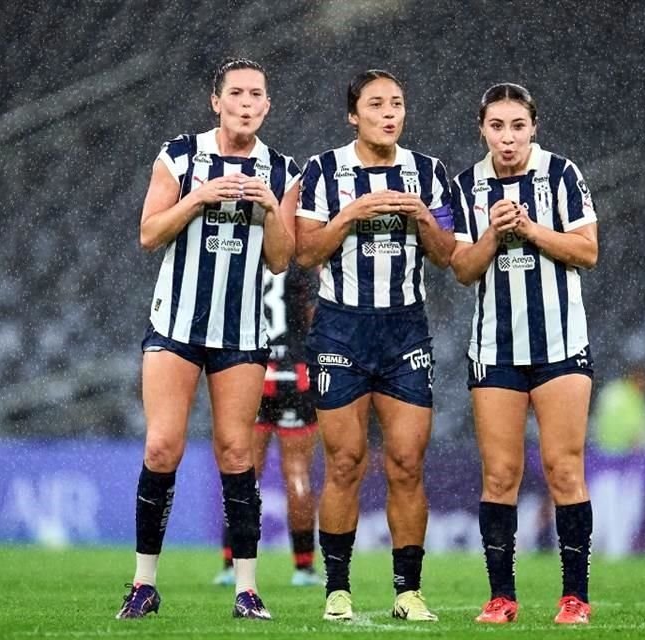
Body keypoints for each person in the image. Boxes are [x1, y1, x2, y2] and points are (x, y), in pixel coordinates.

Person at [116, 58, 300, 621]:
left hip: (241, 332)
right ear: (215, 101)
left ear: (267, 106)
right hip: (175, 326)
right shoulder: (179, 155)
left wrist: (270, 208)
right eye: (236, 93)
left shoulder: (283, 170)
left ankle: (247, 589)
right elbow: (149, 233)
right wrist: (198, 197)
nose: (247, 102)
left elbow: (279, 259)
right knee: (161, 446)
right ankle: (143, 583)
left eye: (257, 94)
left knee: (237, 450)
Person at [295, 69, 454, 622]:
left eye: (398, 103)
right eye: (377, 104)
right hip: (341, 328)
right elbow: (305, 251)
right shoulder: (323, 170)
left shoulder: (429, 173)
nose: (390, 113)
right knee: (345, 462)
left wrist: (421, 218)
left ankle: (408, 592)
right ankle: (337, 589)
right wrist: (350, 215)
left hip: (405, 329)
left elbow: (447, 253)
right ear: (353, 115)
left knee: (407, 463)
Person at [449, 83, 598, 625]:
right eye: (496, 127)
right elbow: (462, 269)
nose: (507, 138)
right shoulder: (467, 185)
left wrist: (531, 229)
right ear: (482, 129)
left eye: (517, 126)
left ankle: (575, 598)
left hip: (560, 345)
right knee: (500, 475)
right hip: (495, 350)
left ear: (534, 127)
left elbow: (588, 250)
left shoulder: (562, 175)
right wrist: (493, 234)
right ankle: (502, 598)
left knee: (564, 470)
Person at [213, 264, 323, 588]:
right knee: (298, 473)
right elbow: (315, 317)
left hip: (253, 369)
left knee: (244, 471)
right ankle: (303, 568)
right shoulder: (302, 263)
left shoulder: (247, 260)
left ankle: (232, 564)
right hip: (296, 373)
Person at [592, 362, 645, 454]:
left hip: (623, 454)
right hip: (610, 453)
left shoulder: (638, 399)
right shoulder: (616, 393)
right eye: (643, 379)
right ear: (633, 376)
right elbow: (603, 422)